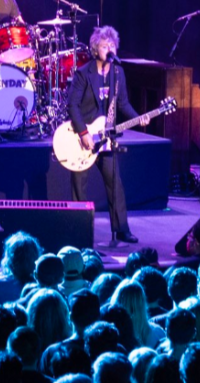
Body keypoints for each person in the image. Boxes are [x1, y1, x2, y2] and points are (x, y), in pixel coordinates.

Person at [67, 26, 144, 245]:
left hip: (106, 137)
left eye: (111, 45)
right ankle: (79, 228)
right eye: (104, 46)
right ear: (95, 49)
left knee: (115, 183)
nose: (108, 49)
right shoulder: (84, 73)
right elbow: (72, 105)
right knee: (79, 185)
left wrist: (139, 118)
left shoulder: (118, 73)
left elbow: (123, 103)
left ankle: (121, 229)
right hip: (84, 136)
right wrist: (83, 133)